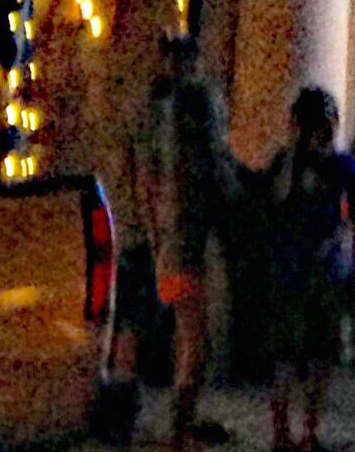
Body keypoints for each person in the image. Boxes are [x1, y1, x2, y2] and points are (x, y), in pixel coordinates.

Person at [129, 33, 233, 451]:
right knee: (196, 337)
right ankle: (179, 429)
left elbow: (146, 181)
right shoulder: (191, 110)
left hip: (169, 243)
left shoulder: (156, 112)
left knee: (184, 333)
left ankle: (178, 425)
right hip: (185, 241)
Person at [259, 87, 355, 452]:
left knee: (308, 358)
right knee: (299, 358)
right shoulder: (297, 165)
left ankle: (297, 433)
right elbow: (273, 203)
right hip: (304, 274)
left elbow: (348, 221)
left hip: (312, 274)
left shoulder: (334, 166)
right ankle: (292, 433)